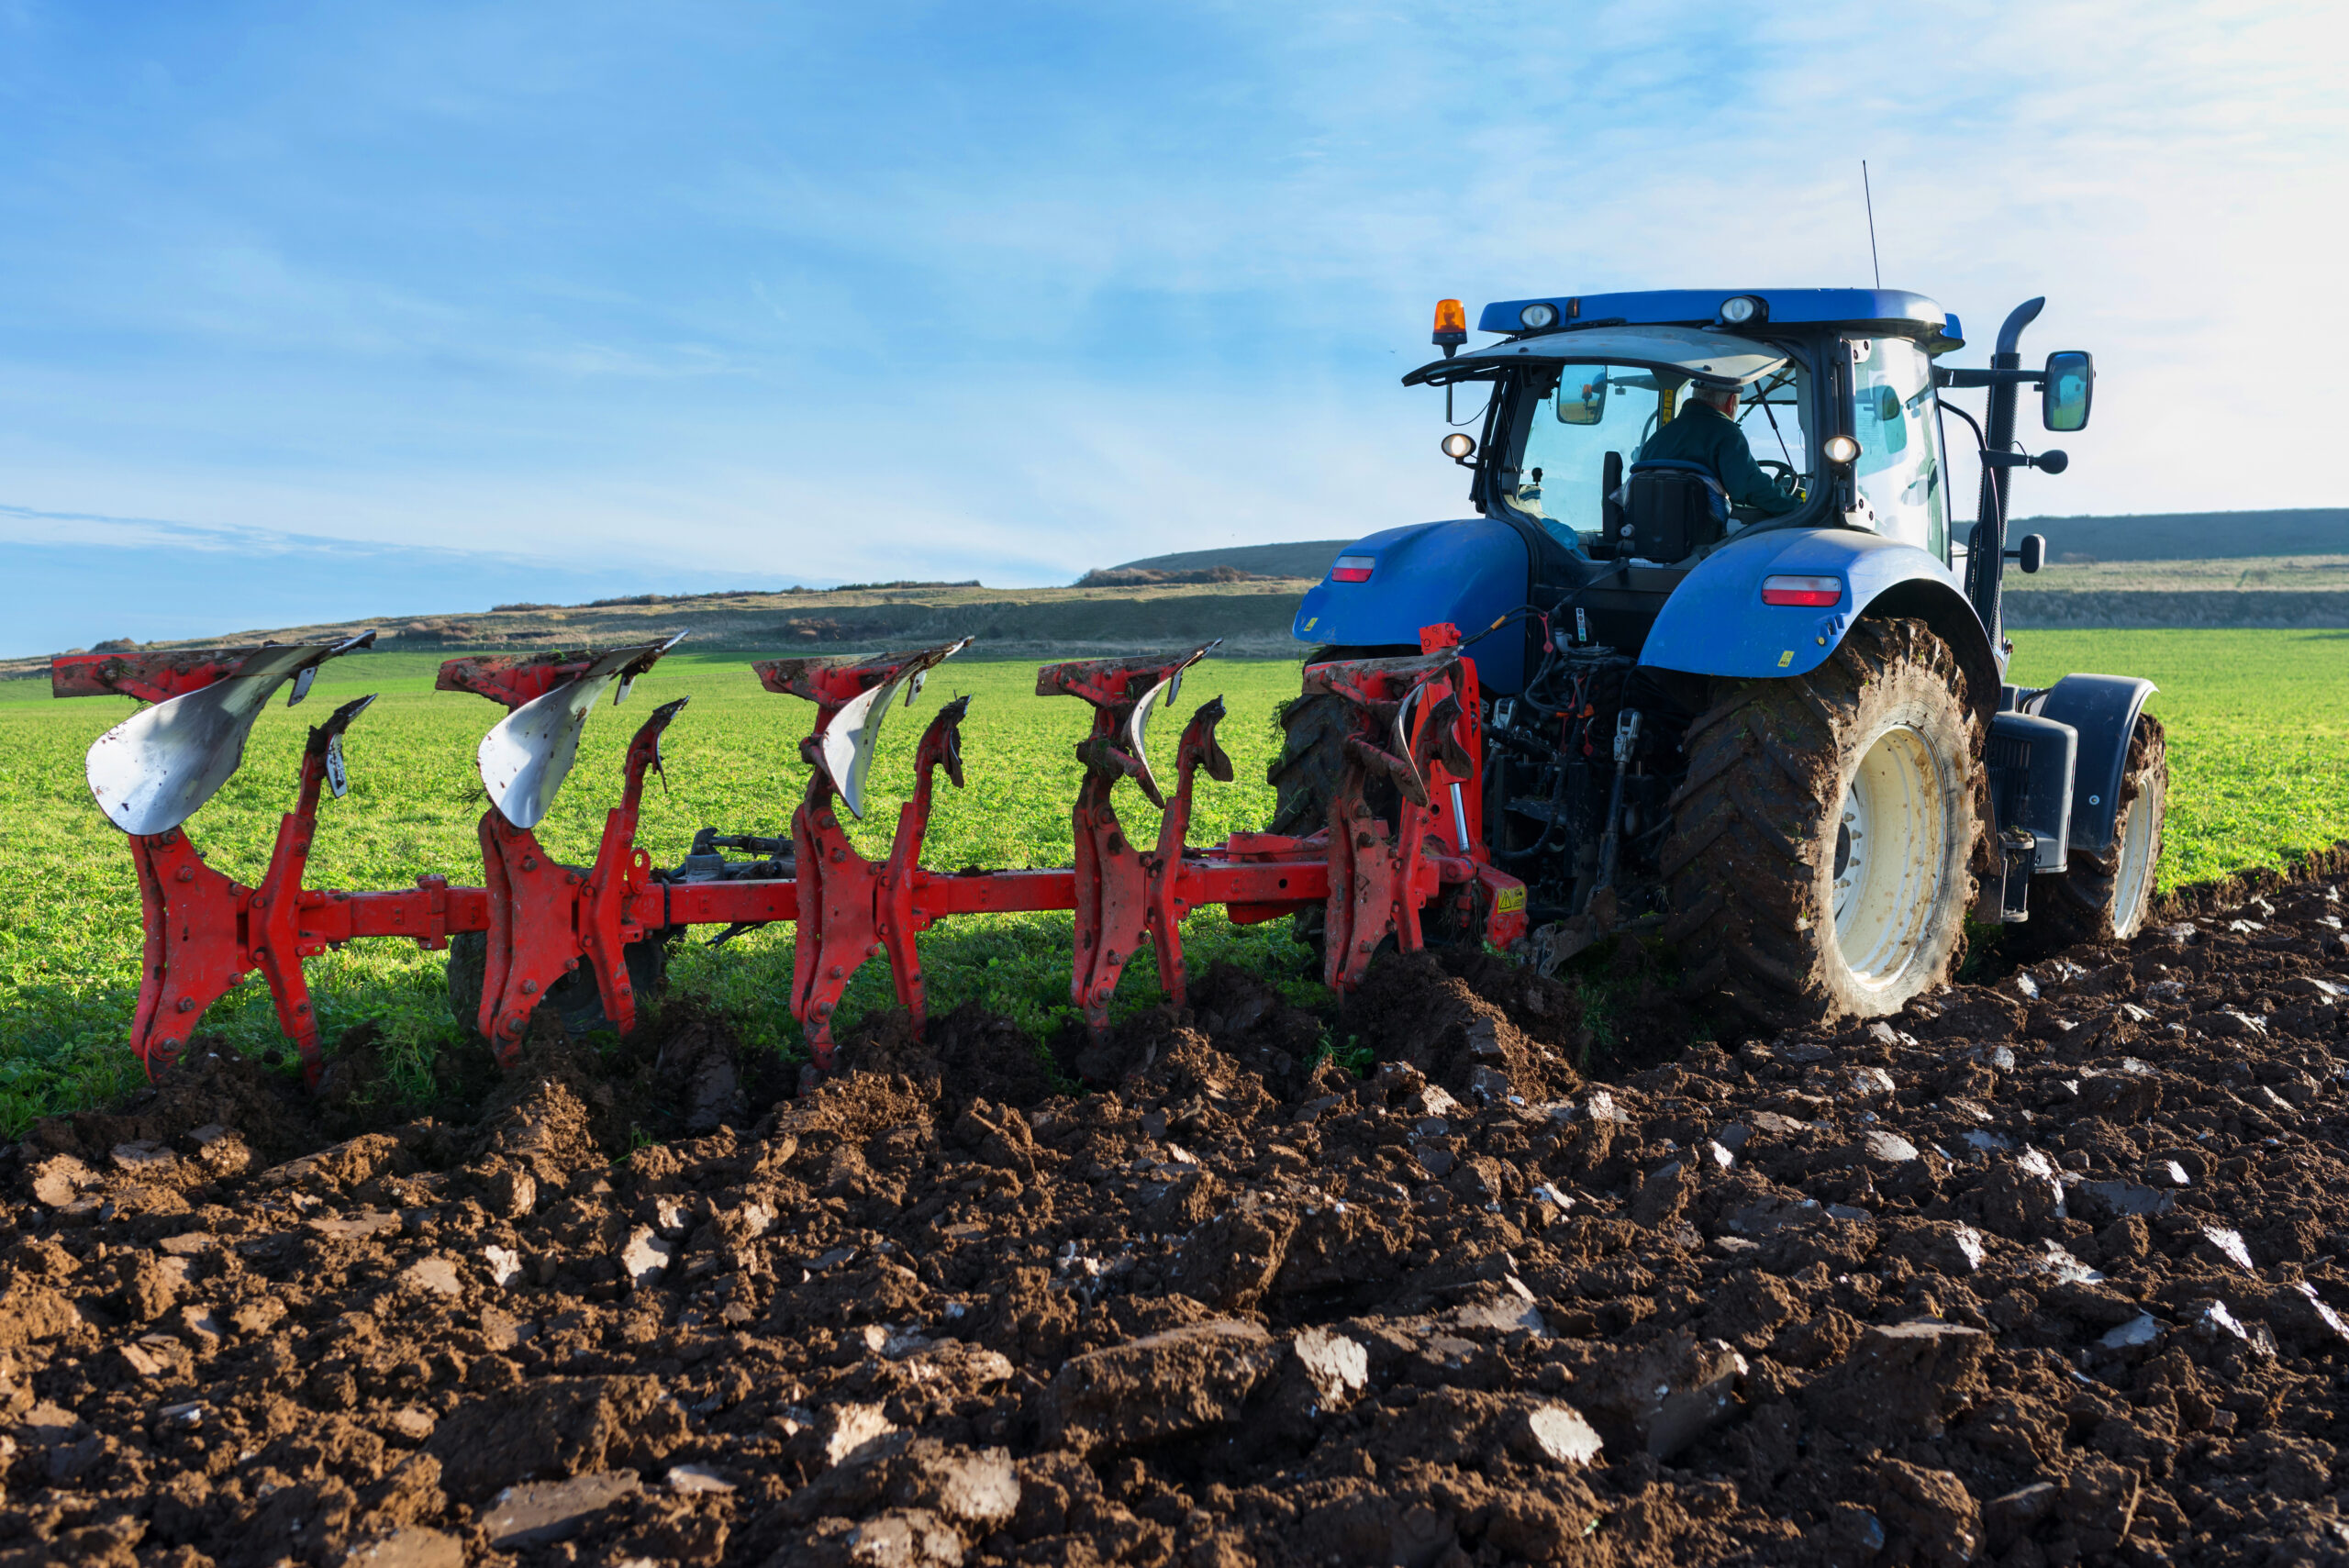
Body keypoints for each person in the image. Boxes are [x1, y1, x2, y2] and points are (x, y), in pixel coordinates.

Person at [1637, 381, 1798, 517]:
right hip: (1703, 536)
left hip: (1650, 530)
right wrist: (1800, 508)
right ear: (1730, 402)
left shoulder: (1658, 437)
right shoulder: (1727, 433)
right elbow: (1750, 487)